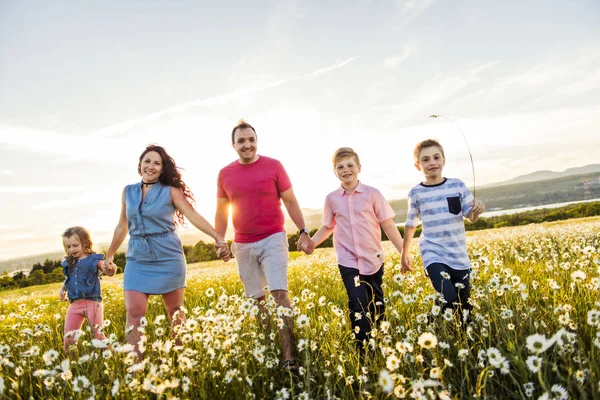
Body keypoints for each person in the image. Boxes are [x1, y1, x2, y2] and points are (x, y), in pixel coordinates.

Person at [104, 144, 229, 360]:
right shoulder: (128, 191)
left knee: (175, 312)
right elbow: (122, 225)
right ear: (140, 164)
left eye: (156, 163)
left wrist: (217, 236)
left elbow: (193, 215)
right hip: (137, 258)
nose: (151, 166)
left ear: (162, 169)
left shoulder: (171, 192)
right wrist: (110, 255)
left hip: (168, 256)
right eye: (147, 161)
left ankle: (182, 360)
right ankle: (136, 368)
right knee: (134, 312)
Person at [215, 120, 314, 370]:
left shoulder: (274, 166)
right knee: (257, 300)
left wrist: (303, 231)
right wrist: (219, 240)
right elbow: (221, 212)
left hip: (273, 238)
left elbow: (290, 201)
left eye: (251, 139)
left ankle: (288, 355)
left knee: (279, 293)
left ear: (256, 141)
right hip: (243, 244)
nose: (247, 144)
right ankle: (269, 349)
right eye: (241, 141)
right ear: (233, 145)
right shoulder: (224, 174)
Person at [303, 147, 408, 357]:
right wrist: (312, 243)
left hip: (373, 258)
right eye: (340, 167)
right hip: (348, 260)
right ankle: (364, 352)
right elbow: (327, 226)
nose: (346, 170)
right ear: (335, 172)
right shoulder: (332, 199)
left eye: (350, 165)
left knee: (376, 302)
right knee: (357, 304)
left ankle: (382, 342)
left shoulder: (373, 194)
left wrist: (403, 252)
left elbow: (388, 224)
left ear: (359, 168)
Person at [401, 139, 484, 324]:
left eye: (436, 157)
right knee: (449, 297)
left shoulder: (457, 185)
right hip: (433, 253)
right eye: (426, 159)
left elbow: (470, 216)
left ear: (444, 160)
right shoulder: (416, 193)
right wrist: (404, 254)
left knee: (465, 307)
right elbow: (411, 224)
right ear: (418, 165)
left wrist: (476, 211)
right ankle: (437, 320)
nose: (432, 162)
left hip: (458, 255)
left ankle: (432, 321)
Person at [60, 226, 116, 353]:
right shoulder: (69, 262)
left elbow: (107, 270)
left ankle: (110, 355)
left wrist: (110, 268)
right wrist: (63, 289)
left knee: (98, 336)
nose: (71, 249)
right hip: (74, 305)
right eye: (68, 247)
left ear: (85, 243)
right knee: (69, 338)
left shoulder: (93, 259)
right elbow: (69, 278)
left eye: (75, 245)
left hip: (92, 304)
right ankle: (70, 364)